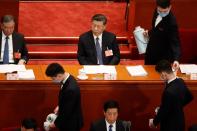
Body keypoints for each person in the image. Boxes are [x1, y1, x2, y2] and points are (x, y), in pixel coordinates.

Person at [149, 60, 193, 131]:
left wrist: (154, 123)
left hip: (169, 126)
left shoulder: (168, 92)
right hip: (180, 122)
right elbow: (190, 97)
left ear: (163, 74)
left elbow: (164, 111)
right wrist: (176, 107)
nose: (160, 77)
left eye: (160, 74)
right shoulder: (181, 81)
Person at [45, 63, 83, 131]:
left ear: (59, 75)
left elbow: (67, 112)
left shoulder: (70, 89)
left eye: (53, 78)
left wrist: (56, 123)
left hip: (71, 124)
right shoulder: (68, 78)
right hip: (69, 119)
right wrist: (59, 106)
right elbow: (67, 100)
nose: (52, 81)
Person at [144, 0, 181, 70]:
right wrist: (149, 33)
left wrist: (176, 59)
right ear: (157, 7)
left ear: (170, 7)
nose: (162, 13)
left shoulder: (172, 23)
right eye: (160, 11)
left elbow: (175, 42)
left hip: (162, 57)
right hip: (150, 51)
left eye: (165, 11)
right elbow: (156, 28)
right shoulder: (156, 11)